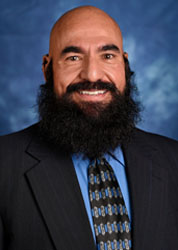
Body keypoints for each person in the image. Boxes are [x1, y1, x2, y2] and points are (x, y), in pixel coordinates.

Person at [0, 5, 178, 250]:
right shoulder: (4, 165)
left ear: (124, 65)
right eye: (73, 58)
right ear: (47, 69)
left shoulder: (173, 161)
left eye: (107, 56)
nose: (92, 74)